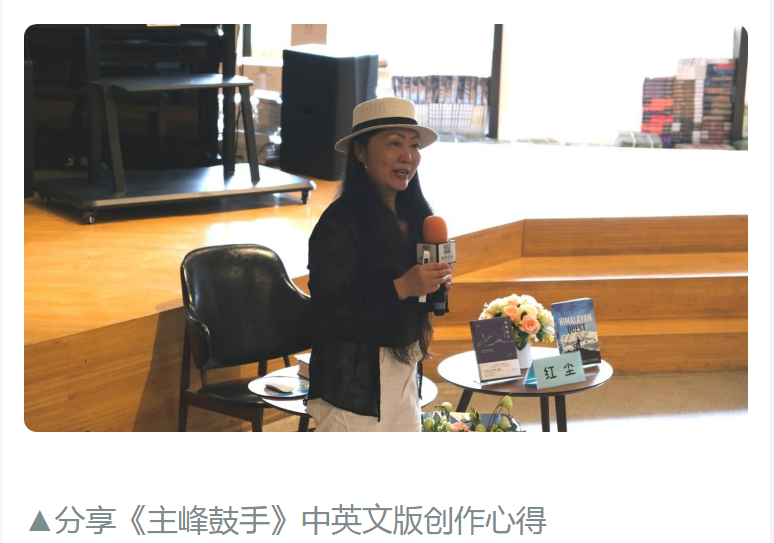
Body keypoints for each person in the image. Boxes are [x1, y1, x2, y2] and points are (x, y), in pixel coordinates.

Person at [305, 97, 453, 432]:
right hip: (353, 380)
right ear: (360, 152)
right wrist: (402, 287)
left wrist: (432, 285)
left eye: (414, 145)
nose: (408, 156)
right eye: (394, 143)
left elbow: (410, 297)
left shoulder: (416, 214)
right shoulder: (339, 224)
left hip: (405, 366)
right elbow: (327, 315)